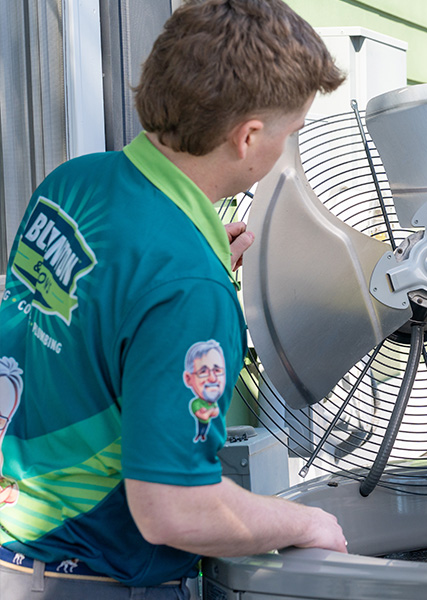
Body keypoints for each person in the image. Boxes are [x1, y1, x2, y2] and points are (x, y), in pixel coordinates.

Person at [0, 1, 347, 598]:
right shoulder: (187, 287)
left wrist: (191, 267)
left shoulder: (73, 181)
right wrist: (308, 521)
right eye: (293, 132)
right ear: (248, 137)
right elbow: (174, 509)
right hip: (97, 577)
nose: (290, 145)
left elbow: (93, 311)